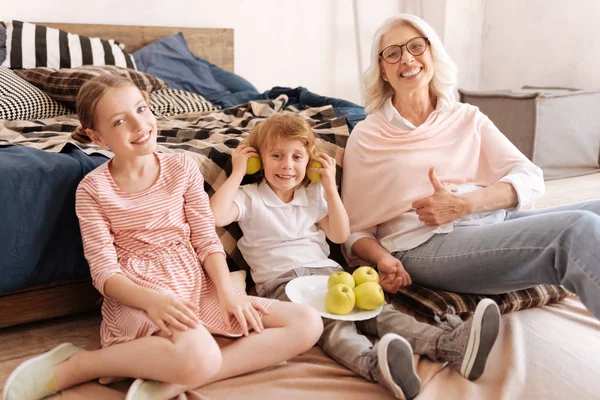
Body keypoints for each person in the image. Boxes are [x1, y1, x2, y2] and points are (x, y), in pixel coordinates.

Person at [2, 75, 324, 400]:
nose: (139, 124)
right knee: (200, 354)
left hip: (197, 285)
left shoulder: (182, 166)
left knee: (308, 322)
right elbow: (104, 275)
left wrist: (228, 293)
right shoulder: (92, 189)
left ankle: (176, 381)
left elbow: (206, 240)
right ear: (96, 136)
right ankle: (82, 365)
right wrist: (153, 301)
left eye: (141, 109)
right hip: (141, 294)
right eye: (119, 121)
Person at [210, 113, 502, 400]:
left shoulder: (313, 195)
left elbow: (339, 234)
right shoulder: (249, 196)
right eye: (276, 156)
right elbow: (215, 215)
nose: (287, 165)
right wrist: (237, 172)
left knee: (379, 312)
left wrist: (328, 187)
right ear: (259, 160)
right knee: (335, 326)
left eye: (297, 157)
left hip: (329, 274)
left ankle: (449, 344)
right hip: (282, 283)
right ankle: (373, 364)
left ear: (309, 162)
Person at [341, 13, 600, 320]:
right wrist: (383, 259)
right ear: (383, 70)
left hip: (489, 222)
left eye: (415, 46)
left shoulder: (467, 117)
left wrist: (463, 204)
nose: (406, 58)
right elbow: (354, 230)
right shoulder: (368, 135)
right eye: (393, 53)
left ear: (432, 53)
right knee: (576, 231)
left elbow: (530, 177)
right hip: (421, 246)